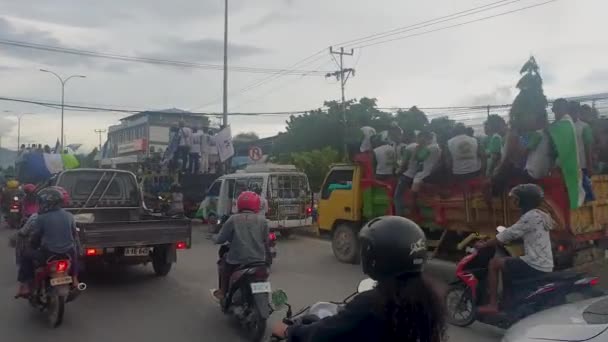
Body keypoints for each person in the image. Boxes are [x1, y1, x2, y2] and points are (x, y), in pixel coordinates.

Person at [271, 216, 446, 342]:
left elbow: (323, 333)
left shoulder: (373, 303)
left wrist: (290, 330)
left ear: (378, 257)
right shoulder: (427, 298)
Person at [476, 184, 554, 314]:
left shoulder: (529, 217)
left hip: (534, 264)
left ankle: (492, 304)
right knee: (509, 262)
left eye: (517, 199)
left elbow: (506, 234)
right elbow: (528, 232)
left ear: (524, 201)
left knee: (494, 263)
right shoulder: (542, 215)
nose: (514, 202)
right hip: (546, 263)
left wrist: (484, 245)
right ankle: (509, 298)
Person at [16, 187, 79, 297]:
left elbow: (36, 237)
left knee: (25, 254)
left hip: (49, 254)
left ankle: (25, 285)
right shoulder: (69, 216)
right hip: (68, 253)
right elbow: (74, 234)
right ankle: (75, 279)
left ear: (45, 203)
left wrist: (32, 246)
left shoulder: (41, 218)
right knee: (74, 254)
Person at [211, 191, 269, 301]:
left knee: (224, 265)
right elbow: (265, 239)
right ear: (256, 204)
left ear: (239, 204)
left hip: (237, 260)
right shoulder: (263, 221)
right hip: (259, 260)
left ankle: (223, 292)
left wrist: (214, 238)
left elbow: (221, 238)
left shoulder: (233, 219)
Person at [394, 130, 441, 216]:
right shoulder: (437, 147)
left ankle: (412, 212)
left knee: (412, 194)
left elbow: (417, 159)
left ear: (427, 138)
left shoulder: (429, 148)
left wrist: (417, 149)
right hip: (432, 172)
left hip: (423, 174)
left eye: (421, 138)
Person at [570, 101, 595, 202]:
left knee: (586, 193)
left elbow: (588, 147)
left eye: (575, 110)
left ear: (578, 111)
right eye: (571, 110)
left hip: (582, 166)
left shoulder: (584, 127)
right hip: (569, 167)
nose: (573, 112)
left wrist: (589, 166)